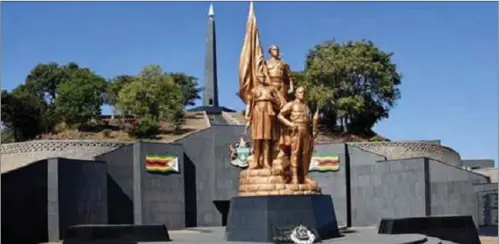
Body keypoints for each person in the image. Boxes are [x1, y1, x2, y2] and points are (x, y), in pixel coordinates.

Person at [245, 68, 285, 169]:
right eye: (260, 77)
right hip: (257, 113)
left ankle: (266, 162)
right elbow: (249, 104)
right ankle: (256, 161)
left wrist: (271, 99)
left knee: (267, 138)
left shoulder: (270, 89)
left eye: (263, 77)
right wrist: (248, 117)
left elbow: (279, 103)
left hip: (268, 113)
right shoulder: (254, 90)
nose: (262, 78)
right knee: (257, 139)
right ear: (257, 78)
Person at [277, 87, 317, 185]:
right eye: (300, 92)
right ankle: (294, 177)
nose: (302, 94)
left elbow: (311, 121)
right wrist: (290, 124)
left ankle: (305, 176)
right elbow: (280, 115)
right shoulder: (291, 104)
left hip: (306, 131)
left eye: (303, 92)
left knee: (306, 155)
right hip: (296, 130)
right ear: (296, 94)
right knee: (295, 153)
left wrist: (313, 131)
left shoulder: (306, 106)